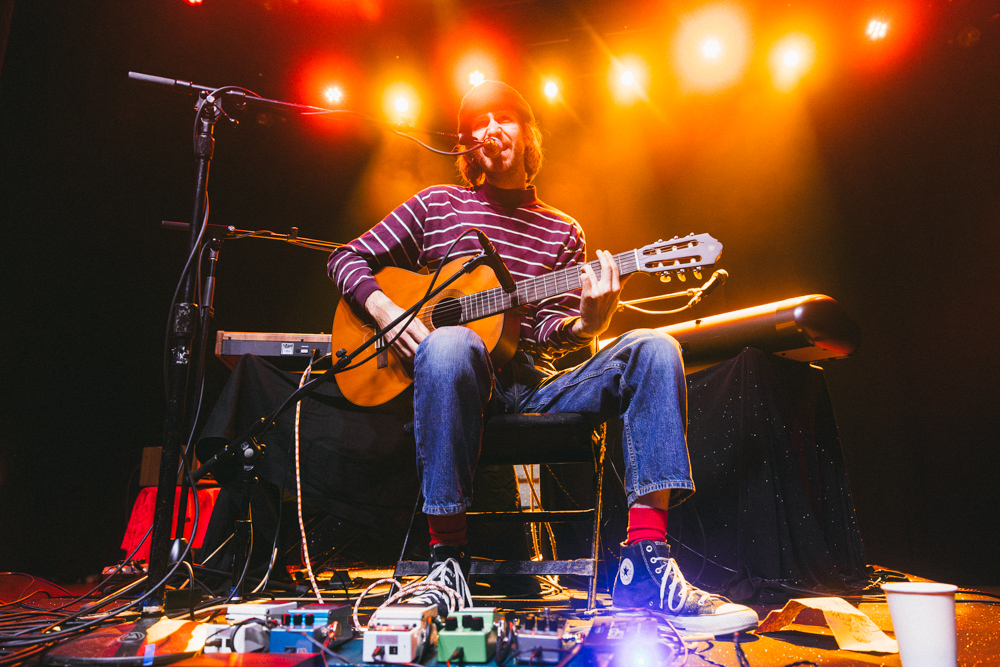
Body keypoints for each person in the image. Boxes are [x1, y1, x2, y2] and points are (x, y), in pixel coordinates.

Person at [327, 81, 757, 635]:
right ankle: (447, 563)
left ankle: (646, 561)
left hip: (535, 387)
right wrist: (387, 311)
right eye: (478, 122)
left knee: (655, 346)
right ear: (467, 145)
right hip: (455, 386)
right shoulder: (437, 205)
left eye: (503, 117)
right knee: (452, 342)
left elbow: (553, 331)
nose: (490, 129)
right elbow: (346, 258)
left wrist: (588, 324)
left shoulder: (562, 231)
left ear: (528, 134)